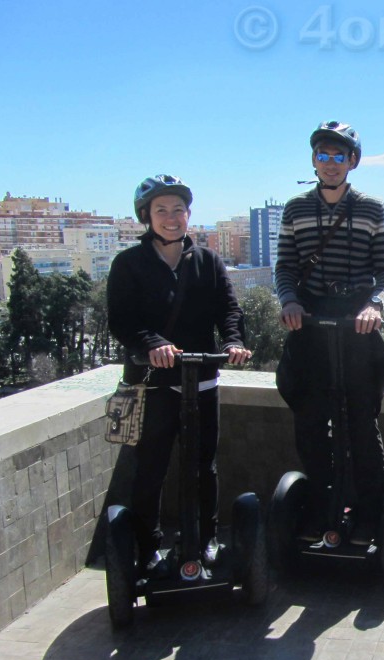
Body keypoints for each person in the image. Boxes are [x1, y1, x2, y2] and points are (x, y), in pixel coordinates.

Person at [107, 174, 252, 574]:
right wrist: (153, 344)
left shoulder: (207, 261)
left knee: (204, 466)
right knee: (150, 466)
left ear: (188, 215)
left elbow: (229, 309)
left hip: (202, 381)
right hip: (153, 385)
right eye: (161, 210)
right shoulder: (129, 264)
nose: (171, 218)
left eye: (178, 210)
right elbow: (121, 321)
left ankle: (205, 540)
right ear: (146, 216)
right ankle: (147, 547)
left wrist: (232, 342)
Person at [274, 120, 384, 546]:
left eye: (338, 156)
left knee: (362, 426)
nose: (330, 163)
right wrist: (289, 301)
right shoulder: (294, 209)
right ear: (314, 160)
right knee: (310, 424)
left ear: (353, 162)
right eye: (323, 155)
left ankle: (368, 514)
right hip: (310, 322)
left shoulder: (373, 209)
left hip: (357, 323)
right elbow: (286, 267)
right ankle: (322, 506)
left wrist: (374, 305)